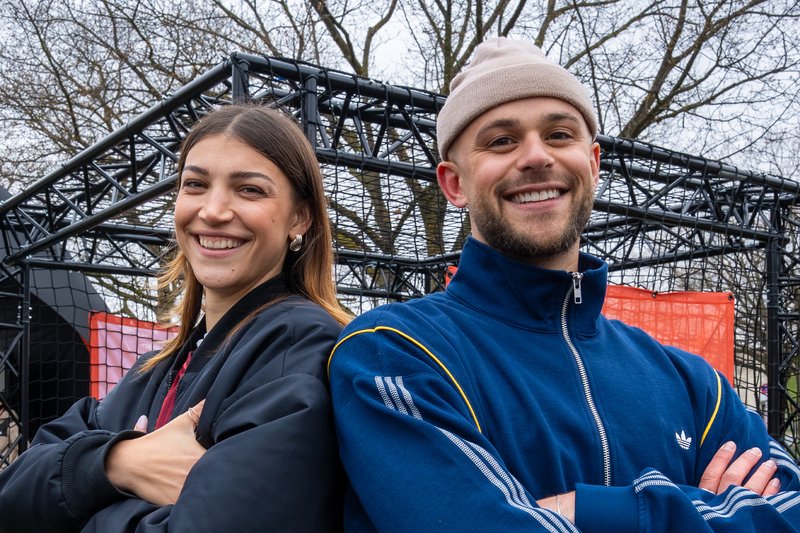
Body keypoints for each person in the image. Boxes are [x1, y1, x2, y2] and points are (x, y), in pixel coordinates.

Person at [328, 37, 800, 531]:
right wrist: (708, 513)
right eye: (501, 140)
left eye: (559, 134)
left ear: (593, 163)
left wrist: (579, 510)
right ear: (454, 184)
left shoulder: (691, 381)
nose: (536, 157)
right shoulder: (394, 351)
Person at [0, 104, 350, 532]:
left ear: (300, 218)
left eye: (250, 190)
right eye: (196, 184)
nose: (215, 210)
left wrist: (79, 502)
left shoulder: (303, 346)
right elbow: (10, 499)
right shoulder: (151, 369)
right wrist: (116, 462)